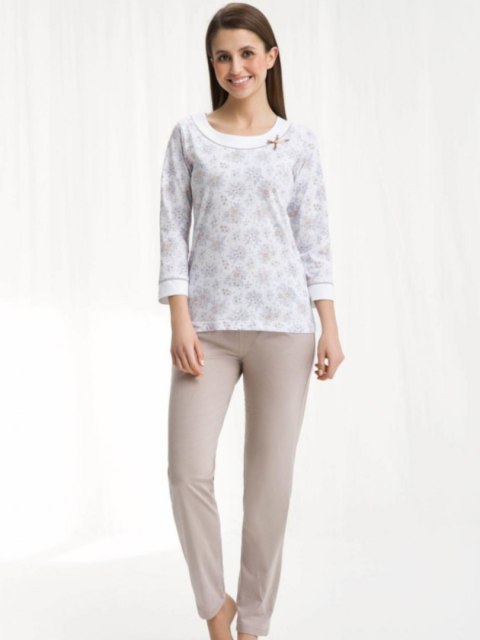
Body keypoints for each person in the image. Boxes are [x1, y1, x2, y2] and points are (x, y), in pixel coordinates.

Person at [158, 3, 345, 639]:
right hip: (206, 331)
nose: (235, 66)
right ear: (211, 64)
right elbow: (172, 233)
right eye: (222, 56)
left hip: (284, 329)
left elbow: (313, 239)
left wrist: (329, 324)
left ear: (270, 57)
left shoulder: (298, 143)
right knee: (187, 471)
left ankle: (254, 623)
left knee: (269, 486)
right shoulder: (189, 136)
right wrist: (180, 319)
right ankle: (217, 606)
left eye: (245, 53)